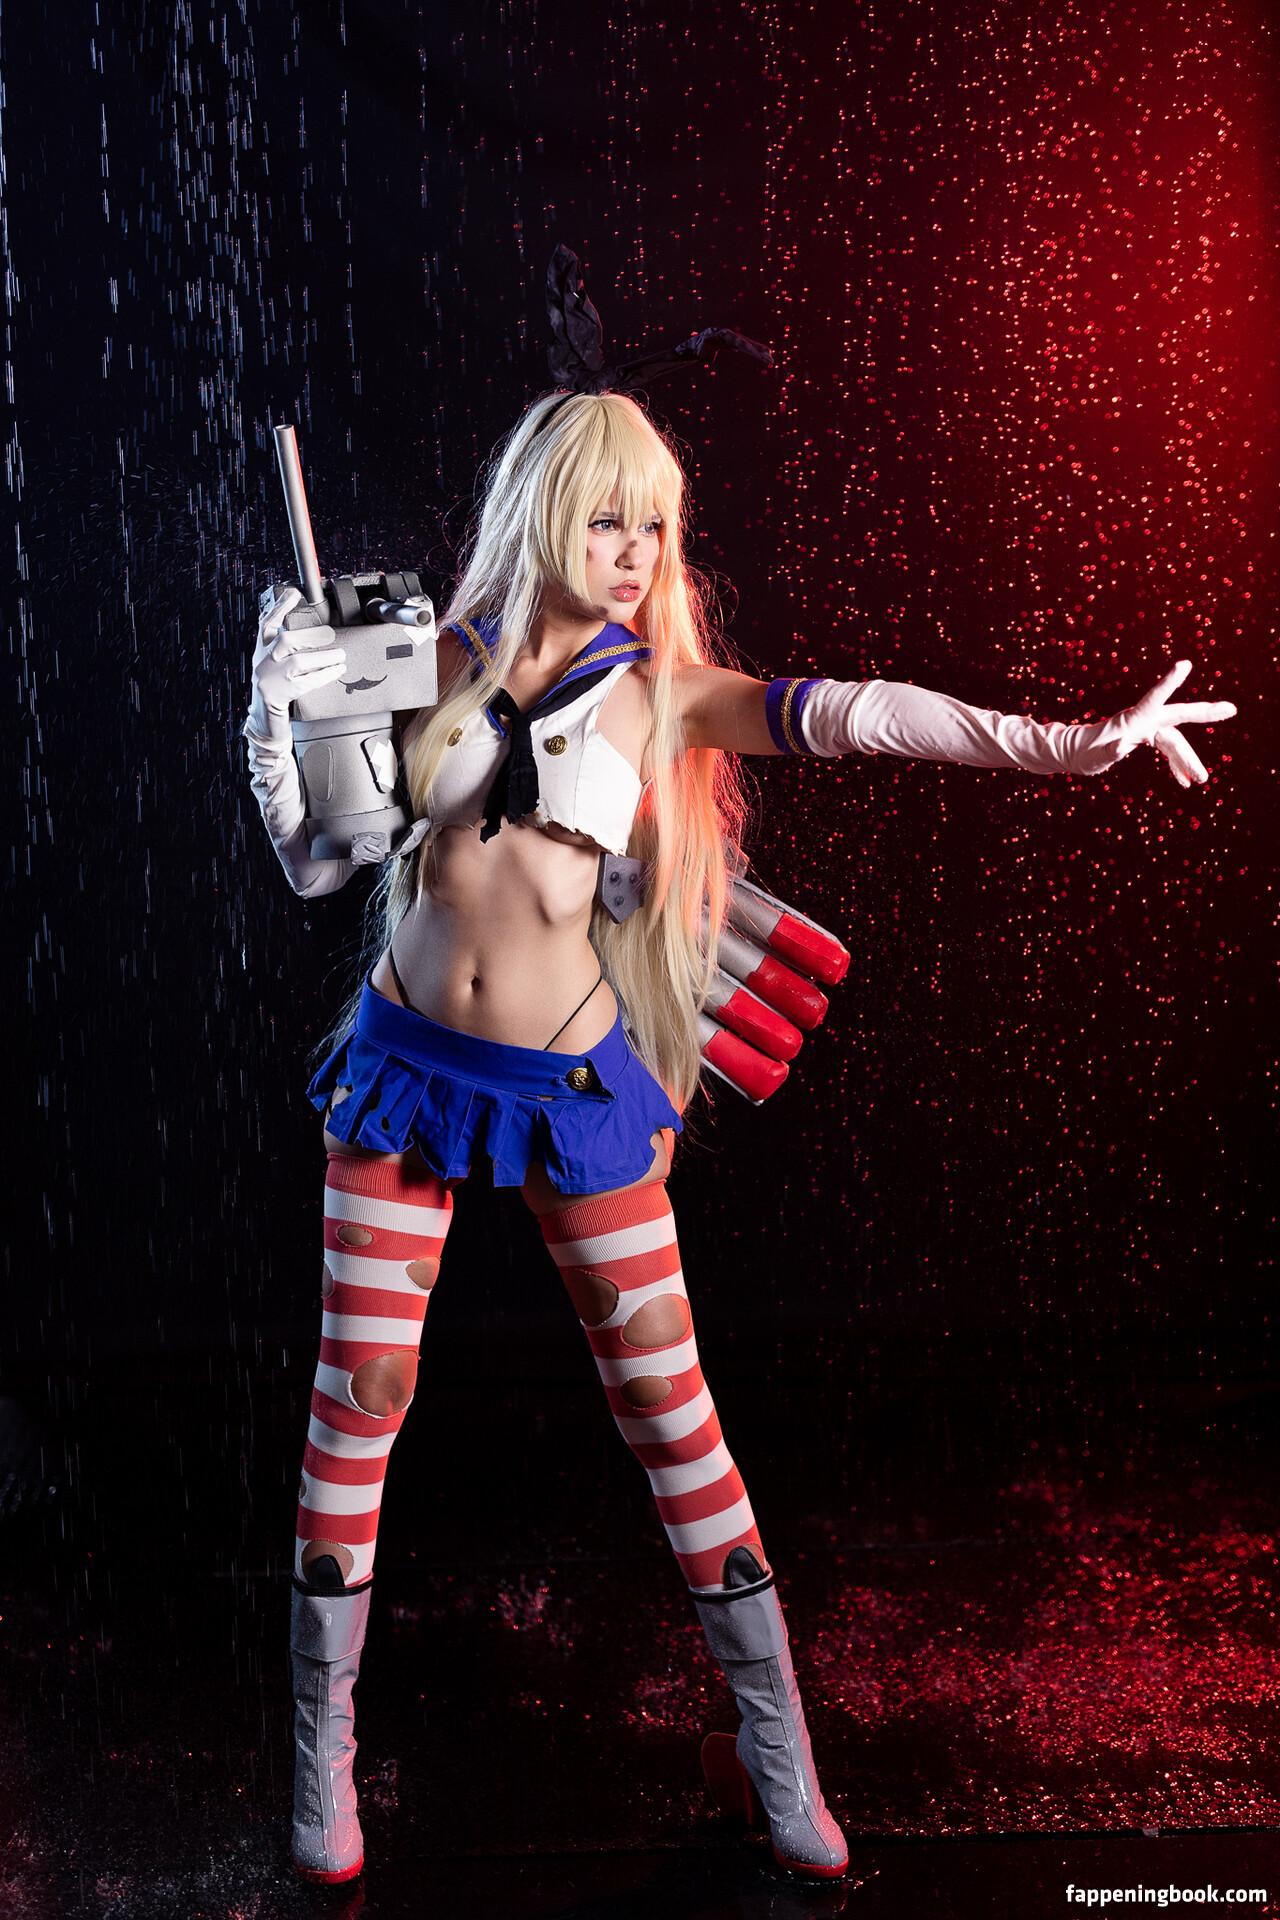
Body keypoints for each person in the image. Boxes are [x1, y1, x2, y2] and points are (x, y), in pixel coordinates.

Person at [244, 388, 1236, 1885]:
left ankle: (779, 1755)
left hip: (572, 1093)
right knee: (362, 1396)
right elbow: (322, 866)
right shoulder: (424, 659)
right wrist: (279, 711)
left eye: (655, 524)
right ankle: (321, 1766)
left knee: (670, 1409)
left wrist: (1071, 745)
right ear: (541, 513)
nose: (636, 550)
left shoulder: (660, 693)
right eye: (605, 517)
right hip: (405, 1069)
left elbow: (857, 712)